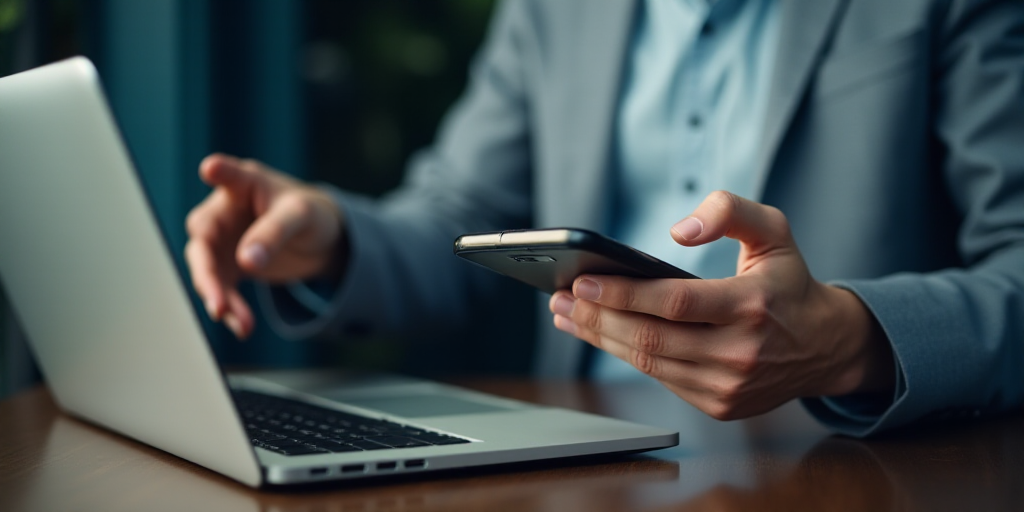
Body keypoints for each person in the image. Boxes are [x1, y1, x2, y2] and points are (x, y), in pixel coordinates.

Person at [184, 0, 1024, 437]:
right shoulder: (554, 11)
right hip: (586, 459)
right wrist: (329, 239)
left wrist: (851, 341)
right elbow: (459, 219)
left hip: (843, 464)